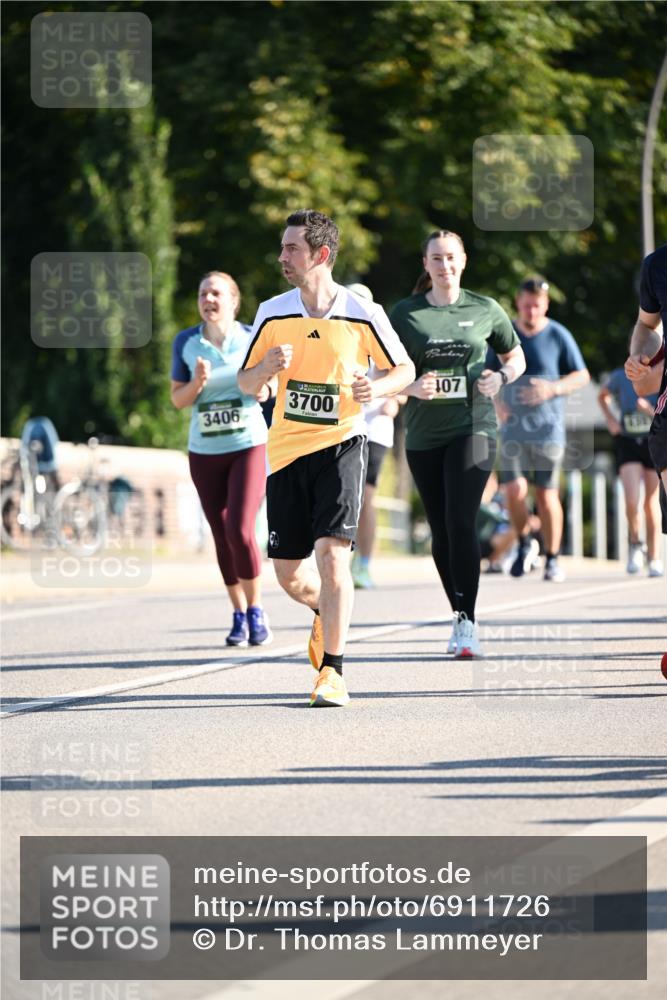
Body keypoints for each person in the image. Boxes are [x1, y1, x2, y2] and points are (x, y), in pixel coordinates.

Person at [238, 209, 414, 706]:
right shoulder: (273, 312)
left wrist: (374, 386)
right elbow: (245, 383)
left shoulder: (362, 312)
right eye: (282, 247)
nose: (282, 257)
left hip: (343, 444)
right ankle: (325, 612)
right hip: (287, 451)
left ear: (321, 254)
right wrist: (266, 368)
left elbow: (404, 368)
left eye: (291, 249)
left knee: (333, 556)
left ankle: (333, 672)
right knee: (290, 574)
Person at [390, 229, 526, 659]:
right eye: (436, 259)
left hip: (476, 428)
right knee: (441, 529)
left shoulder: (485, 308)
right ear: (425, 265)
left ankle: (467, 622)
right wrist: (411, 387)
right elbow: (379, 371)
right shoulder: (405, 314)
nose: (444, 266)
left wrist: (499, 377)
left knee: (461, 520)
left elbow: (515, 357)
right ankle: (458, 613)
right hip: (424, 434)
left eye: (451, 258)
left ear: (463, 261)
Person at [171, 271, 273, 647]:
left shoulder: (251, 338)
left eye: (216, 293)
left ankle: (257, 608)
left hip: (248, 444)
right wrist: (197, 382)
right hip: (205, 450)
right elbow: (177, 400)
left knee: (240, 530)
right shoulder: (186, 342)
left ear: (233, 300)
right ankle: (237, 612)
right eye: (202, 294)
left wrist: (263, 389)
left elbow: (271, 381)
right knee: (220, 534)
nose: (208, 299)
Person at [487, 277, 590, 583]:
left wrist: (553, 388)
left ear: (545, 304)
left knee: (546, 496)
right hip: (513, 431)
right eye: (527, 304)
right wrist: (496, 403)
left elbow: (582, 375)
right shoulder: (506, 333)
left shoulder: (558, 335)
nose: (532, 310)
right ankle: (523, 544)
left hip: (548, 430)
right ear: (518, 302)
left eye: (538, 304)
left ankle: (553, 558)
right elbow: (487, 372)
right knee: (514, 492)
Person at [346, 283, 406, 590]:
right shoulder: (337, 335)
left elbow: (404, 380)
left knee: (365, 496)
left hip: (375, 431)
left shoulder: (382, 336)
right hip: (343, 427)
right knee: (344, 497)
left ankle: (364, 564)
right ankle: (342, 557)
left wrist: (395, 400)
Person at [598, 357, 662, 576]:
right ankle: (636, 544)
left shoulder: (661, 374)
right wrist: (611, 420)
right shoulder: (620, 375)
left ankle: (654, 557)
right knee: (631, 500)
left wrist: (650, 412)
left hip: (653, 441)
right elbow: (602, 395)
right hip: (627, 442)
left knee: (651, 504)